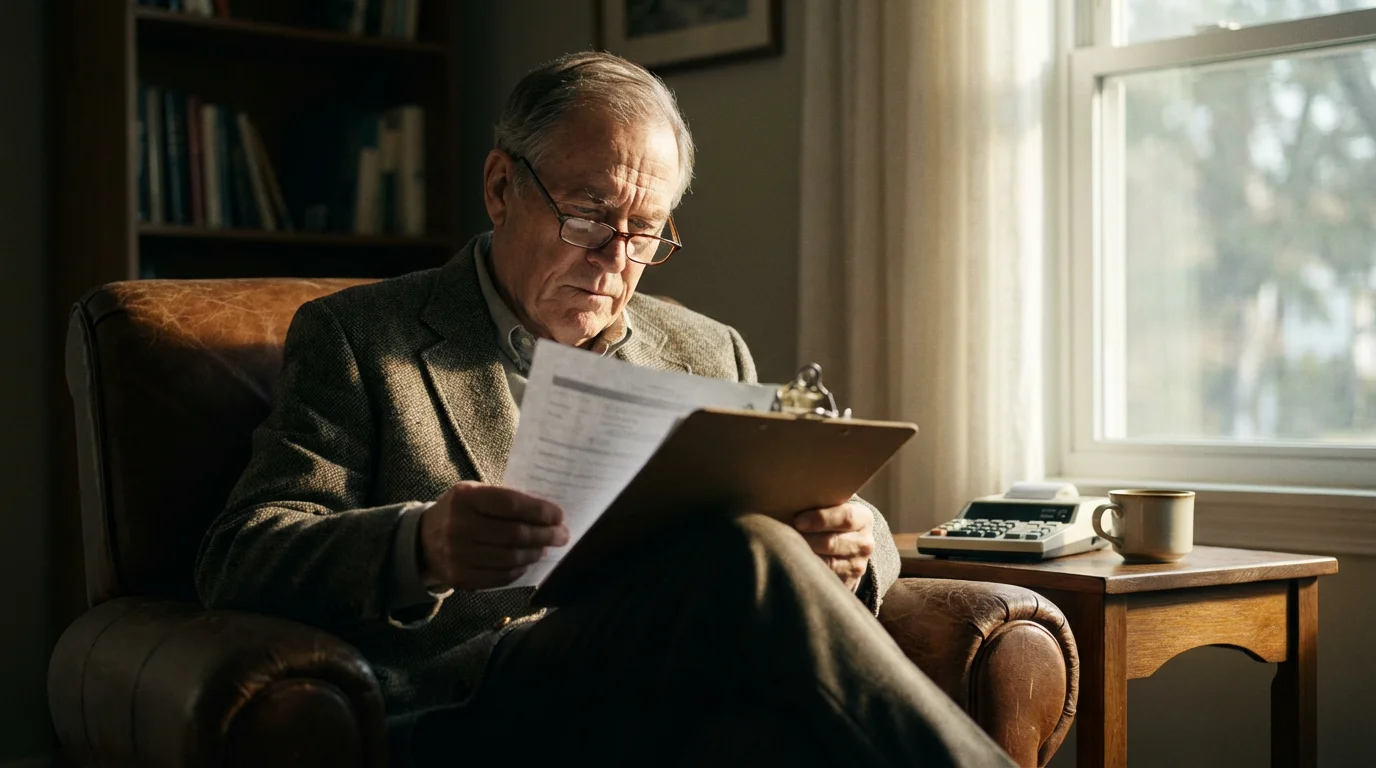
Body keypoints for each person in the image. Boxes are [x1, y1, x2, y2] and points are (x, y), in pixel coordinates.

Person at [194, 51, 1014, 767]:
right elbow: (241, 555)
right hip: (474, 700)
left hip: (671, 698)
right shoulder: (360, 338)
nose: (615, 259)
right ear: (500, 186)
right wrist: (420, 545)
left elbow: (816, 519)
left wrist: (857, 541)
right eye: (587, 215)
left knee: (773, 745)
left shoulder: (708, 350)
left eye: (644, 231)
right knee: (748, 554)